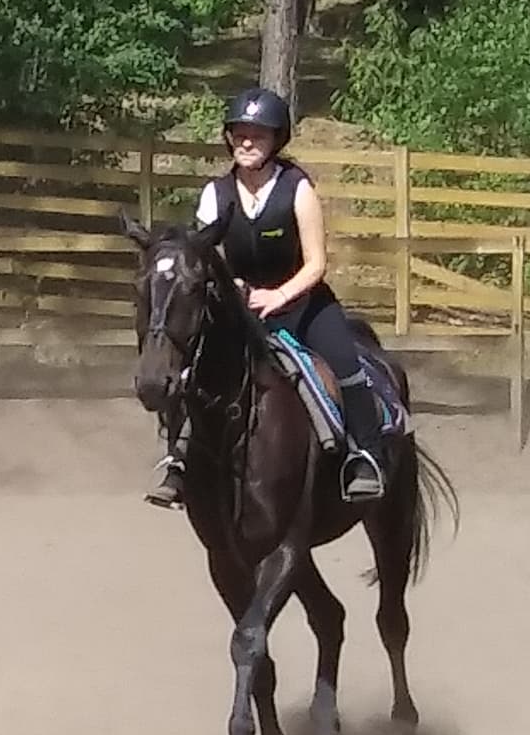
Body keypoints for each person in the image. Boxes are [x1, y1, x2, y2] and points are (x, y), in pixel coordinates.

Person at [150, 84, 391, 509]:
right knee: (190, 369)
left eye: (257, 135)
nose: (246, 142)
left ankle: (365, 456)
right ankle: (179, 460)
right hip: (242, 308)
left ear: (276, 140)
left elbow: (317, 263)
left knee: (347, 366)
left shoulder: (297, 188)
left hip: (303, 302)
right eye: (239, 133)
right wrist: (233, 288)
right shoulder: (216, 194)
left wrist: (278, 295)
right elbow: (201, 253)